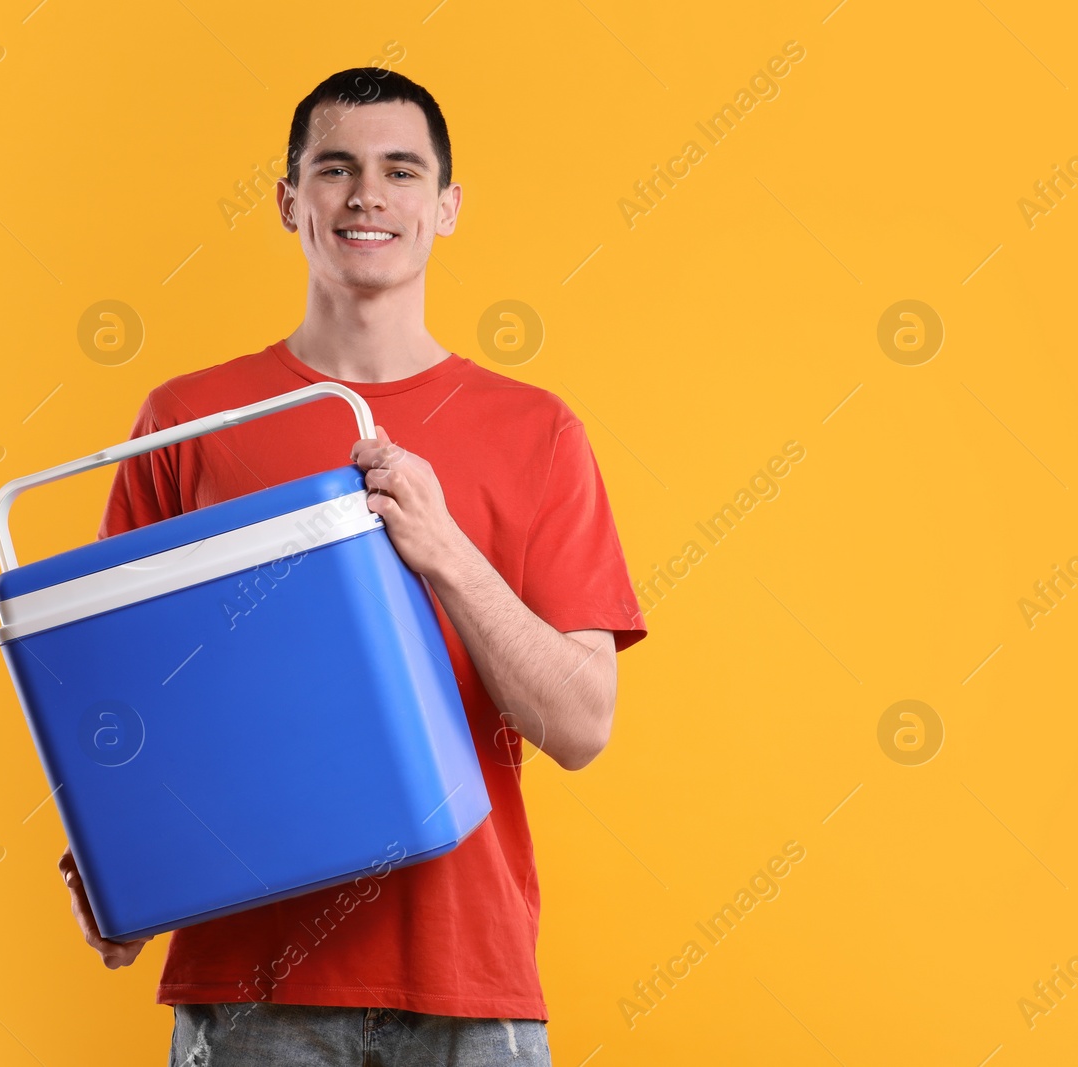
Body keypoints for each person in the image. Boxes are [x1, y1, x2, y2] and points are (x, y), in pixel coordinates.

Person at [58, 67, 648, 1066]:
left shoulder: (538, 432)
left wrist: (442, 546)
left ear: (445, 207)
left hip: (470, 978)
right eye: (334, 169)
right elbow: (126, 708)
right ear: (290, 202)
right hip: (250, 979)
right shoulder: (188, 424)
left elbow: (581, 723)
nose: (366, 194)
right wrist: (117, 857)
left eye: (398, 170)